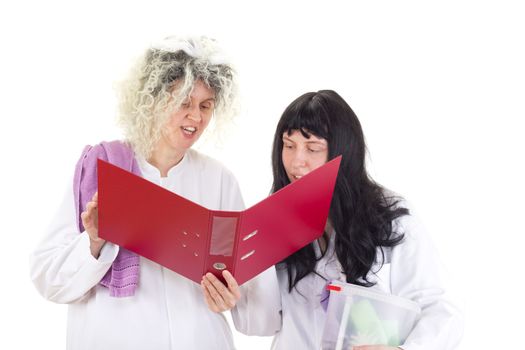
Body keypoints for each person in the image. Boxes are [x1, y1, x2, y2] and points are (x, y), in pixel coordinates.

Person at [30, 35, 279, 350]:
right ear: (153, 100)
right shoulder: (103, 167)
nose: (197, 117)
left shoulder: (218, 179)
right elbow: (49, 281)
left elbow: (252, 303)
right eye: (184, 103)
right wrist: (93, 241)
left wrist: (232, 296)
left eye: (205, 106)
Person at [267, 90, 463, 350]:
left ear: (342, 152)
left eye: (312, 148)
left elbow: (439, 307)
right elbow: (263, 322)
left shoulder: (389, 214)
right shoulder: (275, 219)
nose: (296, 161)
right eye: (288, 146)